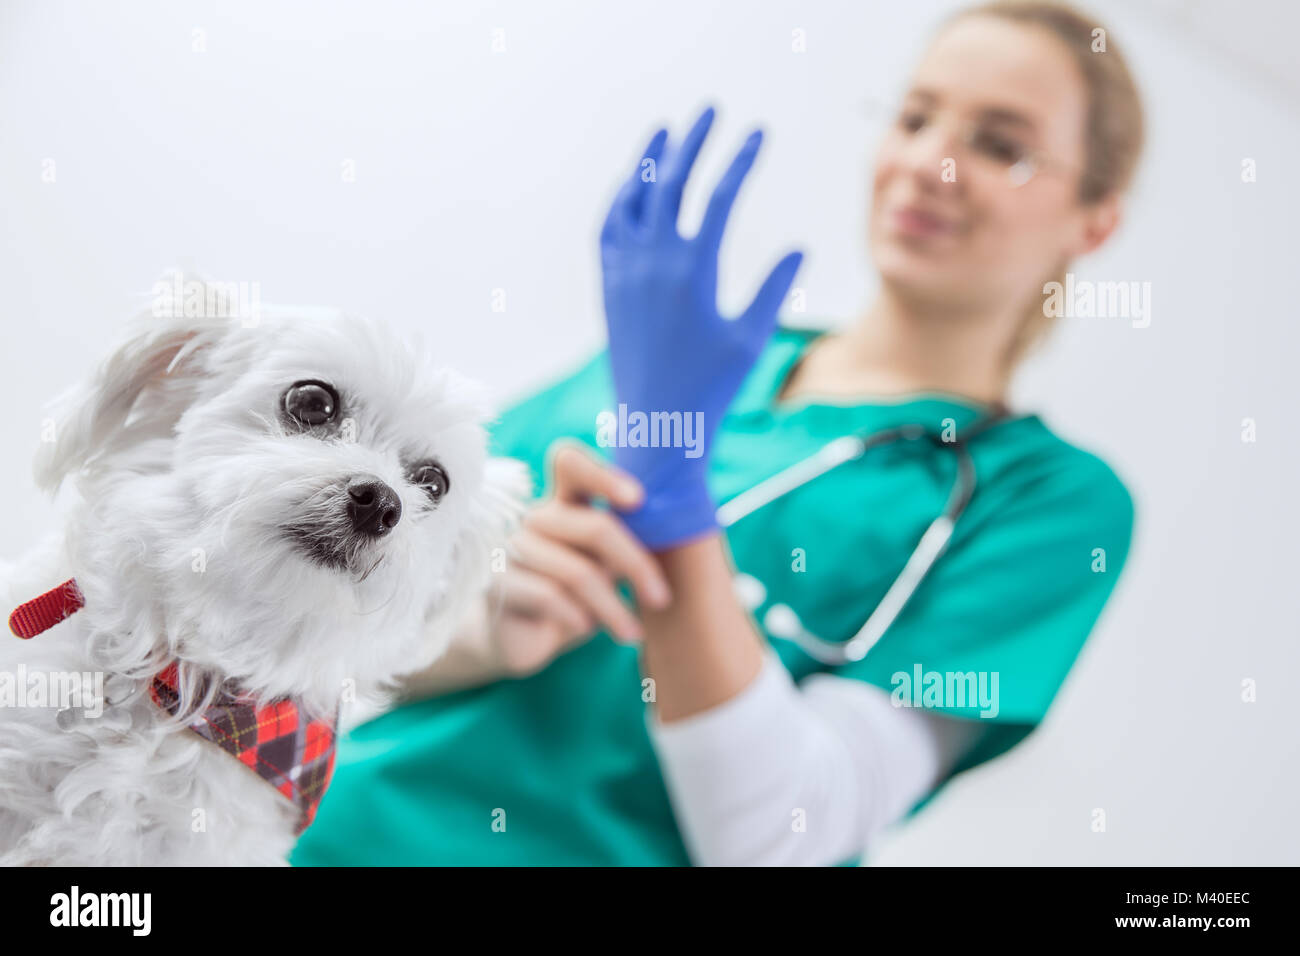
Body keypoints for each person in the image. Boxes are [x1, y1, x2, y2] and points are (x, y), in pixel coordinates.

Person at [291, 0, 1144, 866]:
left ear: (1095, 217)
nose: (930, 162)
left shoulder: (1045, 500)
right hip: (314, 834)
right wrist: (475, 622)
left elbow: (787, 834)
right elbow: (328, 624)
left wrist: (677, 517)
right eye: (916, 117)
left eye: (1000, 144)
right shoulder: (685, 356)